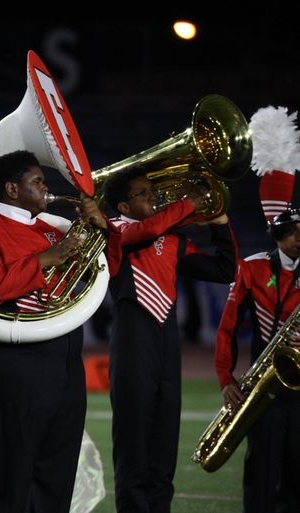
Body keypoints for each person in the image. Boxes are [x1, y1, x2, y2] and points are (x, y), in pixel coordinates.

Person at [0, 149, 110, 513]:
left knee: (57, 474)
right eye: (38, 182)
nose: (47, 189)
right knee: (11, 475)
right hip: (12, 364)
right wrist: (49, 258)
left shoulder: (53, 228)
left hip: (64, 362)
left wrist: (99, 226)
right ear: (12, 188)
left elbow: (106, 272)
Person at [103, 166, 236, 513]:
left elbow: (226, 271)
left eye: (152, 190)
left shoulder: (173, 240)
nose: (153, 196)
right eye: (143, 193)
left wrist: (221, 225)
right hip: (133, 340)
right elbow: (147, 230)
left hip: (166, 341)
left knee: (164, 443)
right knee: (134, 444)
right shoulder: (114, 230)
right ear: (124, 206)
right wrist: (189, 203)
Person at [215, 213, 300, 512]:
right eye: (291, 232)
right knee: (261, 471)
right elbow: (227, 328)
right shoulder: (252, 267)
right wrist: (226, 378)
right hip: (265, 389)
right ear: (275, 235)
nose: (298, 238)